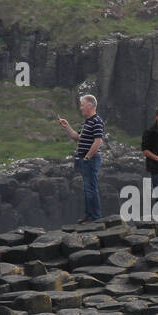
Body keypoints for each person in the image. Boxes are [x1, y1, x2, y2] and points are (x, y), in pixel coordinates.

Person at [58, 94, 104, 222]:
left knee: (91, 188)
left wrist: (88, 157)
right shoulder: (88, 122)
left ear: (90, 106)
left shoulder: (97, 121)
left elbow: (98, 141)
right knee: (87, 188)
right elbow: (77, 137)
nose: (81, 108)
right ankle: (89, 215)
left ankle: (95, 217)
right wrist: (67, 126)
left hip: (90, 160)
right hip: (85, 159)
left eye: (82, 105)